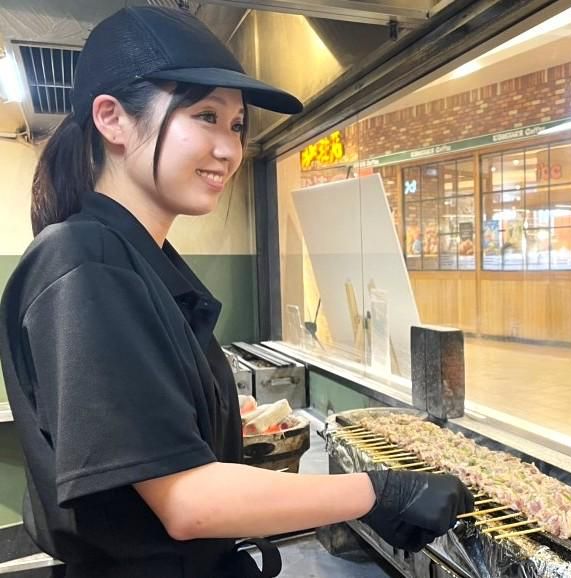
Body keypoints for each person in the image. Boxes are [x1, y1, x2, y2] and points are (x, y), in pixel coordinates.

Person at [0, 6, 473, 578]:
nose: (229, 148)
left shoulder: (137, 259)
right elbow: (188, 503)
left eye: (237, 125)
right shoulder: (85, 260)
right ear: (112, 118)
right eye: (206, 116)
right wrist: (377, 492)